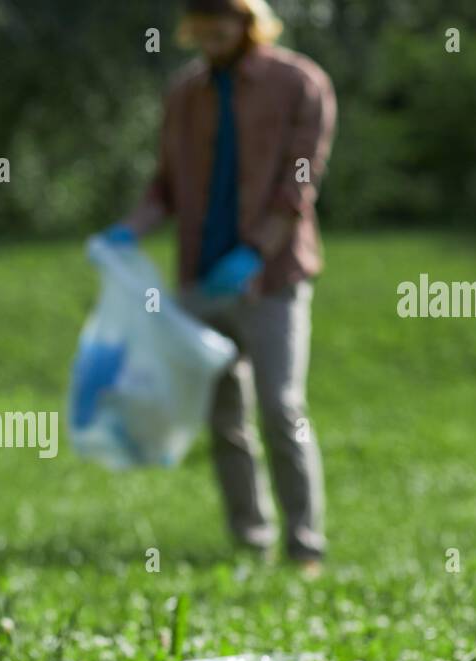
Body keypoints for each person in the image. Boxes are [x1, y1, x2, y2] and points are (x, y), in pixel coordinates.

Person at [107, 0, 336, 576]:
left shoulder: (300, 83)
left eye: (223, 23)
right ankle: (250, 539)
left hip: (272, 278)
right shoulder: (186, 92)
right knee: (224, 417)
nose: (211, 35)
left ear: (249, 20)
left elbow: (298, 184)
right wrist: (129, 229)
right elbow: (165, 184)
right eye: (202, 26)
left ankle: (304, 546)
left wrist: (257, 250)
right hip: (200, 278)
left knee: (282, 408)